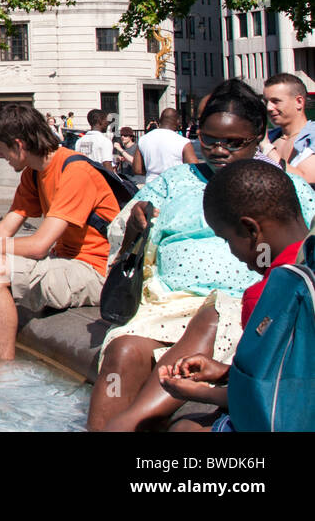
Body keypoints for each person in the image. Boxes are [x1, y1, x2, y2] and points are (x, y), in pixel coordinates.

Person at [87, 80, 315, 431]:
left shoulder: (285, 187)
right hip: (166, 305)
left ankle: (131, 422)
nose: (219, 150)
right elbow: (119, 240)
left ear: (257, 137)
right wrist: (135, 222)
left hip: (243, 309)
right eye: (208, 140)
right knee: (123, 352)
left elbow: (303, 252)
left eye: (233, 142)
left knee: (213, 314)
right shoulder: (173, 181)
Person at [0, 103, 119, 360]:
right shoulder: (33, 174)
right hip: (61, 261)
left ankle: (3, 366)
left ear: (19, 144)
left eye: (1, 148)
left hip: (93, 269)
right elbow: (4, 230)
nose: (0, 156)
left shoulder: (74, 171)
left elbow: (39, 245)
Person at [158, 160, 315, 431]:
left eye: (227, 239)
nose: (232, 252)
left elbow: (267, 398)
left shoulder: (267, 295)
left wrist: (197, 393)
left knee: (184, 428)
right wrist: (223, 372)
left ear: (251, 230)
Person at [263, 72, 315, 166]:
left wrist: (266, 148)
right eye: (266, 102)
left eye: (276, 101)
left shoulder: (312, 138)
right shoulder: (269, 137)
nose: (269, 107)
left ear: (299, 102)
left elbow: (304, 178)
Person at [133, 109, 198, 179]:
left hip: (152, 185)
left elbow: (137, 169)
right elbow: (195, 169)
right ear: (178, 122)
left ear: (160, 120)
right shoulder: (183, 142)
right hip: (176, 185)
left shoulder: (143, 139)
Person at [74, 109, 117, 173]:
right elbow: (107, 165)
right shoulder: (105, 141)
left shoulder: (79, 141)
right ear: (101, 121)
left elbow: (77, 162)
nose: (108, 123)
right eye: (106, 120)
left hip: (84, 178)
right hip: (99, 179)